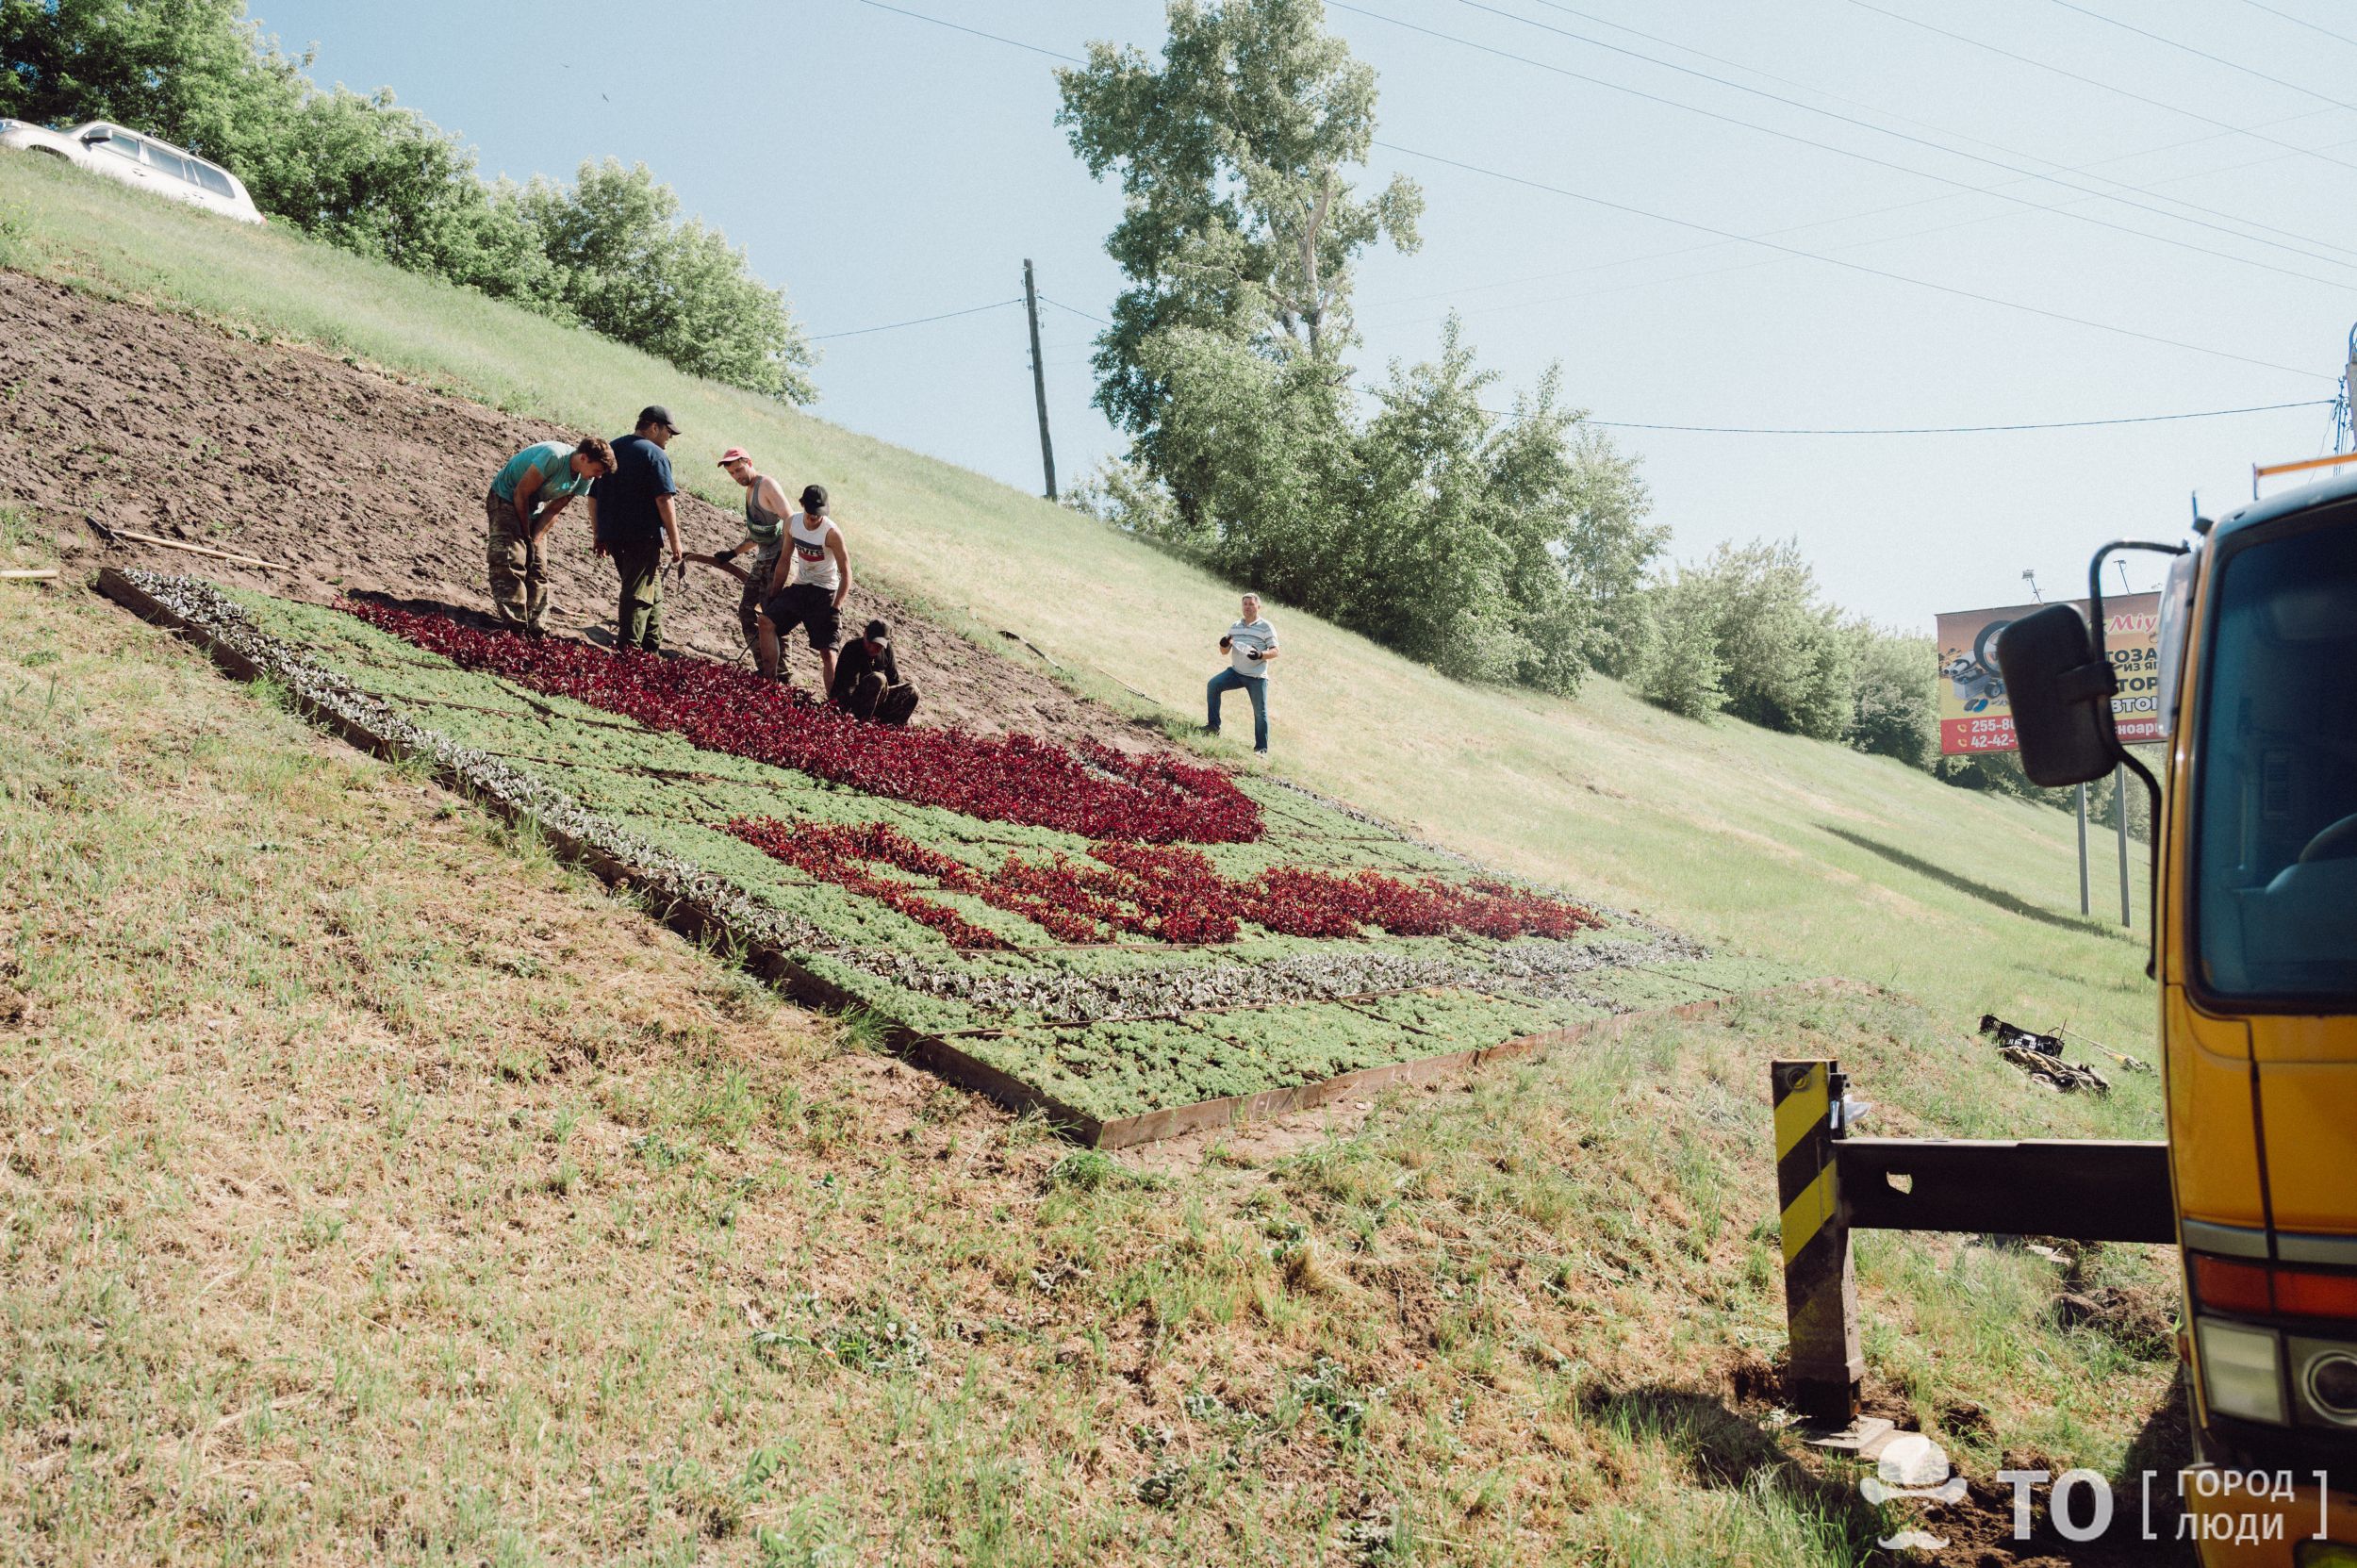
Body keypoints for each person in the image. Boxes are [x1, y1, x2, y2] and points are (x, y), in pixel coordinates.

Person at [484, 436, 613, 634]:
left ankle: (535, 626)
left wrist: (534, 540)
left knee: (538, 565)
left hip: (534, 506)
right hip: (507, 497)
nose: (599, 476)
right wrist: (525, 535)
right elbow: (520, 493)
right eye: (598, 470)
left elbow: (553, 510)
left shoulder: (585, 478)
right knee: (511, 558)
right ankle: (515, 624)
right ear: (584, 458)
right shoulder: (554, 457)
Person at [590, 405, 686, 652]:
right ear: (654, 427)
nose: (669, 438)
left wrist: (598, 532)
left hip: (613, 535)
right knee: (637, 594)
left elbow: (593, 496)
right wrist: (675, 541)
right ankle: (630, 650)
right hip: (642, 536)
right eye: (668, 432)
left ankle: (651, 644)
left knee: (650, 586)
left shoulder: (612, 448)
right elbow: (664, 499)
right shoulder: (655, 454)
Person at [761, 483, 851, 692]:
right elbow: (784, 560)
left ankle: (834, 701)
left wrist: (836, 607)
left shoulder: (832, 533)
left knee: (827, 651)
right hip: (801, 586)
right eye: (811, 512)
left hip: (825, 592)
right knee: (766, 621)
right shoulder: (792, 523)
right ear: (802, 504)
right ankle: (768, 681)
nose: (814, 517)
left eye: (819, 513)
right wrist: (774, 594)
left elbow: (846, 573)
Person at [711, 447, 791, 678]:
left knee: (773, 616)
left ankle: (781, 673)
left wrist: (785, 560)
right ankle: (766, 668)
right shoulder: (750, 491)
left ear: (749, 462)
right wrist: (733, 553)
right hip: (764, 558)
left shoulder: (766, 485)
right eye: (731, 473)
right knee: (747, 610)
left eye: (739, 470)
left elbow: (790, 520)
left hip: (778, 558)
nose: (736, 476)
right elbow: (756, 536)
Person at [1206, 591, 1279, 753]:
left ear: (1258, 607)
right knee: (1213, 685)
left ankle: (1261, 749)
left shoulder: (1266, 627)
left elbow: (1275, 651)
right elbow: (1224, 652)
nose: (1247, 607)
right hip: (1236, 673)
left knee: (1260, 712)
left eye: (1251, 604)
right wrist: (1223, 644)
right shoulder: (1235, 626)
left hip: (1256, 677)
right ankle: (1213, 727)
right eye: (1245, 604)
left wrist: (1260, 654)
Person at [831, 619, 920, 724]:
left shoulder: (887, 650)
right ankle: (861, 724)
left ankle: (891, 726)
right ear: (865, 633)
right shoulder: (852, 648)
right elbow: (847, 689)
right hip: (853, 703)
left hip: (878, 702)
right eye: (871, 642)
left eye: (879, 644)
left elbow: (893, 680)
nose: (873, 647)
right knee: (878, 679)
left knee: (912, 690)